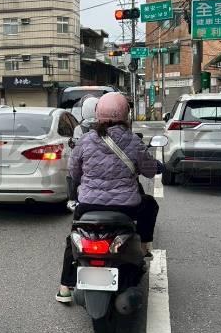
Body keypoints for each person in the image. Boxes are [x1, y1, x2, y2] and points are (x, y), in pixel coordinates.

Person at [57, 92, 163, 303]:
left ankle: (65, 287)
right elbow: (150, 171)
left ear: (98, 115)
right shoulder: (133, 141)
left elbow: (74, 173)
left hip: (88, 205)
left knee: (74, 237)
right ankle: (143, 248)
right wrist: (158, 166)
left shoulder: (85, 140)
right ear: (125, 115)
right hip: (126, 207)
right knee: (150, 204)